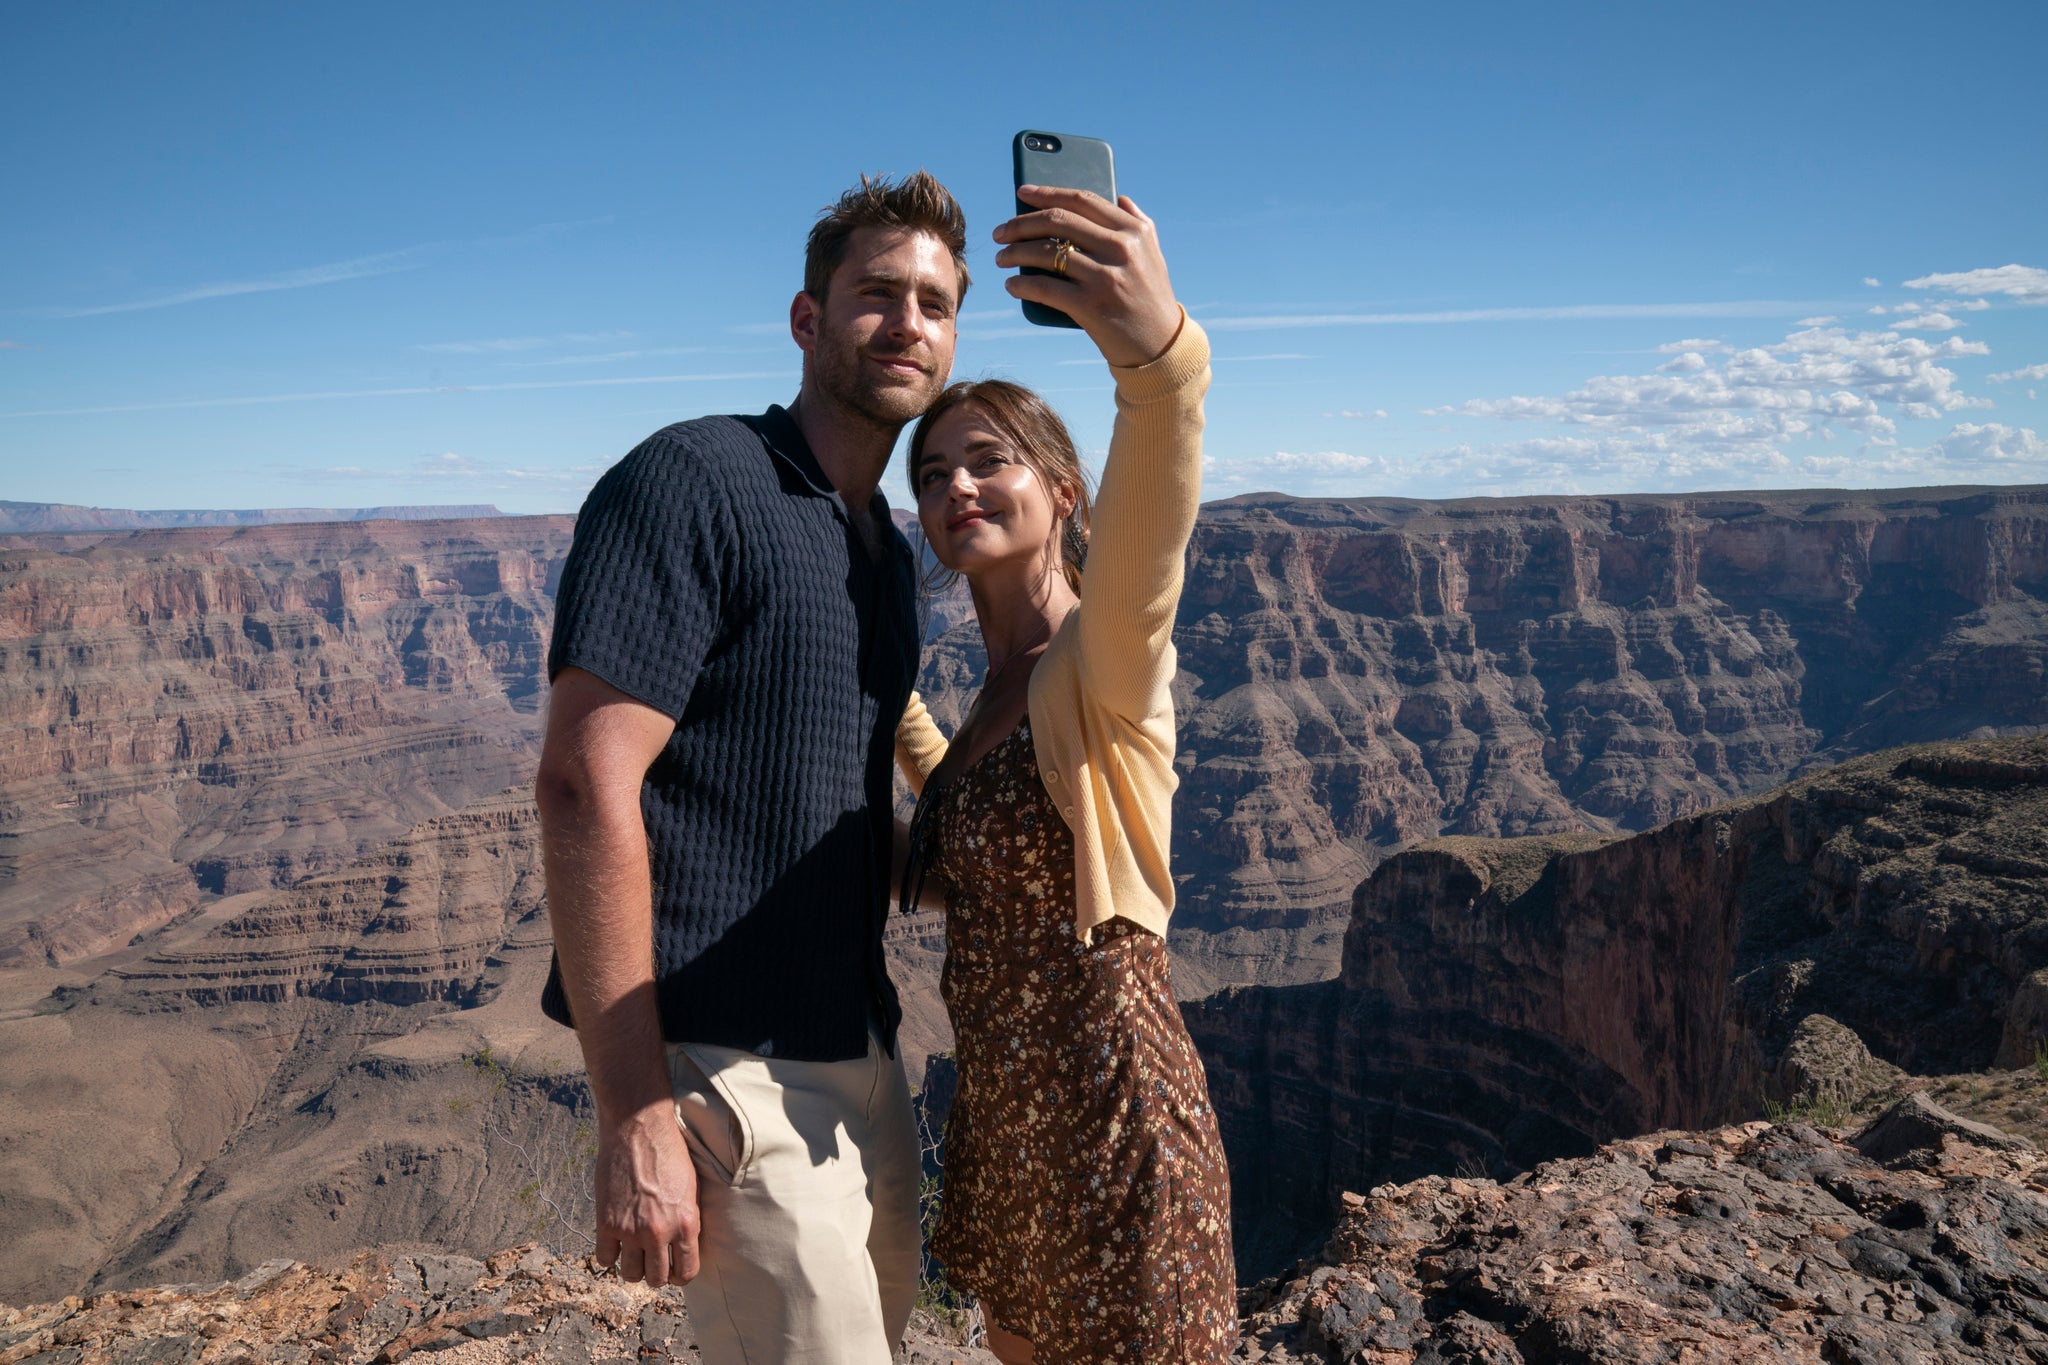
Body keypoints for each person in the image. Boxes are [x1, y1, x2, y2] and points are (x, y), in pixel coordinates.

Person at [533, 171, 967, 1365]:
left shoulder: (881, 548)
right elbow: (581, 780)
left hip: (860, 1054)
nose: (907, 323)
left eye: (934, 302)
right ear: (805, 318)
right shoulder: (696, 480)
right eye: (876, 292)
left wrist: (1005, 872)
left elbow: (821, 813)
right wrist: (631, 1114)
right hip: (727, 1071)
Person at [895, 185, 1235, 1363]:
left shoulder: (1102, 659)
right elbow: (974, 843)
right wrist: (888, 698)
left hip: (1109, 1108)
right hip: (1007, 1123)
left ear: (1063, 488)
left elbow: (1155, 533)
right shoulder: (998, 692)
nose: (955, 491)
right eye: (930, 475)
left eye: (986, 462)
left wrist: (1157, 362)